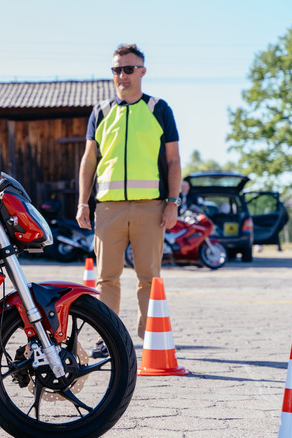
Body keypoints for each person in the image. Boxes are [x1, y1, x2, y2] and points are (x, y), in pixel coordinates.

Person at [76, 44, 181, 357]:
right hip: (108, 208)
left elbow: (174, 160)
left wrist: (173, 202)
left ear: (142, 72)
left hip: (151, 207)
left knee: (149, 277)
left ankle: (150, 339)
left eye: (129, 69)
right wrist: (83, 202)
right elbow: (89, 160)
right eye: (117, 69)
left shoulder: (159, 109)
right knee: (106, 278)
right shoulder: (100, 112)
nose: (122, 75)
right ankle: (107, 340)